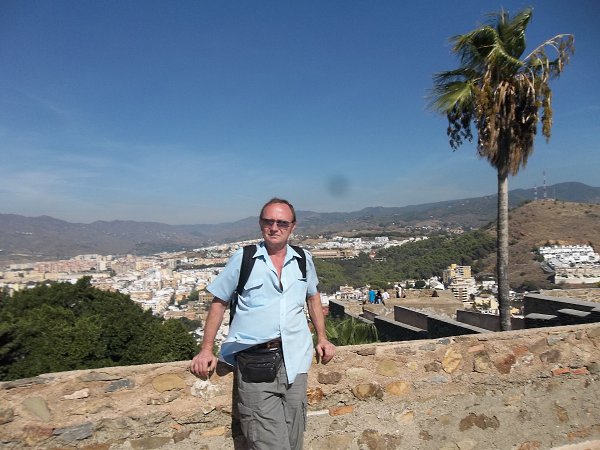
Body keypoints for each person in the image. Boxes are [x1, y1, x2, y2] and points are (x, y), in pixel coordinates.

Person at [190, 198, 335, 450]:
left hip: (296, 360)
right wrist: (206, 349)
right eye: (269, 221)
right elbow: (219, 302)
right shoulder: (244, 258)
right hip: (255, 362)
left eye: (282, 223)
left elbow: (313, 297)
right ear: (260, 223)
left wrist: (322, 338)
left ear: (293, 226)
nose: (274, 227)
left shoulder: (303, 259)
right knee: (269, 444)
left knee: (294, 440)